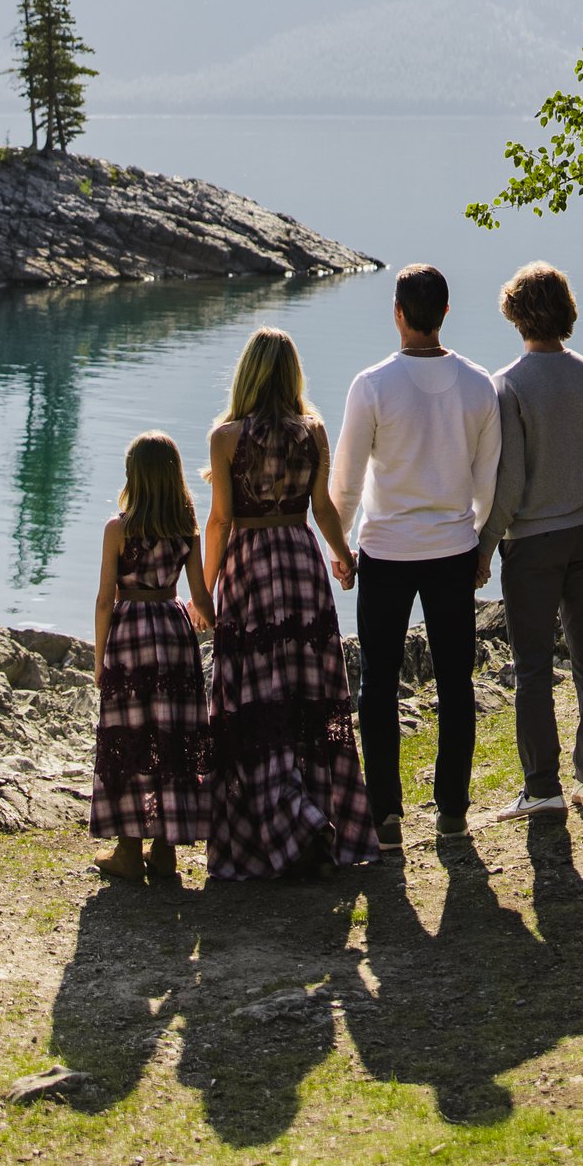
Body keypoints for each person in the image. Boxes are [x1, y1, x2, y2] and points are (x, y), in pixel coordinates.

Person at [328, 262, 502, 850]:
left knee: (378, 685)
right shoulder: (479, 385)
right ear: (446, 313)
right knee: (456, 681)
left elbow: (346, 481)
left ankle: (386, 816)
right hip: (453, 549)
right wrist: (480, 542)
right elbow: (488, 481)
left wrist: (340, 546)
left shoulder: (372, 385)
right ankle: (452, 810)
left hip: (387, 551)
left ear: (398, 314)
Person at [203, 327, 379, 880]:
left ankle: (282, 825)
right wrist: (343, 554)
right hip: (300, 562)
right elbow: (323, 508)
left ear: (248, 374)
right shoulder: (313, 431)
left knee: (254, 696)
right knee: (309, 690)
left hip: (250, 566)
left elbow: (222, 520)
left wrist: (203, 591)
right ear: (293, 374)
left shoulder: (227, 438)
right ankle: (314, 812)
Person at [479, 260, 583, 818]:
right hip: (581, 536)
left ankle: (542, 788)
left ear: (517, 315)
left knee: (532, 667)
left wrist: (484, 546)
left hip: (530, 545)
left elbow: (510, 484)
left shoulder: (509, 386)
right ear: (566, 312)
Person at [90, 431, 214, 884]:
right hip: (173, 631)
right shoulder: (186, 526)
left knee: (130, 735)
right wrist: (217, 623)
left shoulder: (117, 529)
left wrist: (99, 658)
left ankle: (127, 849)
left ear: (133, 477)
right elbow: (199, 594)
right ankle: (166, 851)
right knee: (172, 734)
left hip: (130, 636)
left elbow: (106, 598)